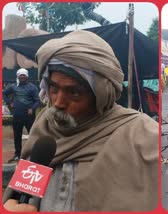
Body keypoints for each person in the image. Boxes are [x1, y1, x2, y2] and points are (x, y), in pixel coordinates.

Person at [3, 30, 158, 211]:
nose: (58, 103)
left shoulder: (143, 136)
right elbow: (23, 191)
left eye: (74, 92)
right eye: (53, 88)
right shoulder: (44, 125)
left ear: (101, 94)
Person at [2, 68, 40, 163]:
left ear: (27, 76)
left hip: (29, 117)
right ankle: (17, 154)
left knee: (32, 135)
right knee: (17, 136)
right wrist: (9, 103)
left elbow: (37, 100)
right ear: (18, 76)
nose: (22, 76)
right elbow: (3, 93)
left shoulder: (32, 87)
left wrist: (32, 108)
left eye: (24, 75)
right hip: (17, 116)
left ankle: (33, 154)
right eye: (21, 75)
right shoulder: (14, 86)